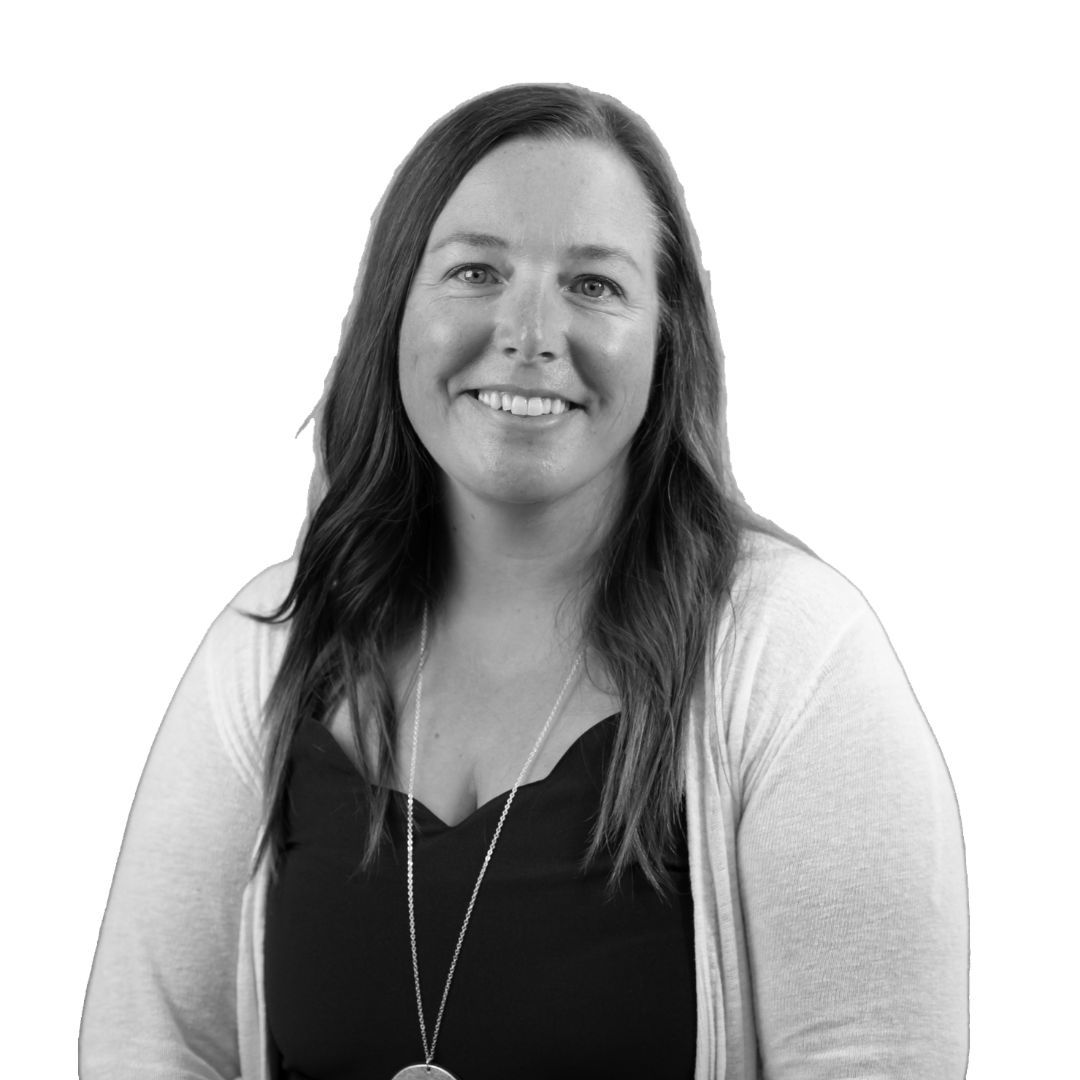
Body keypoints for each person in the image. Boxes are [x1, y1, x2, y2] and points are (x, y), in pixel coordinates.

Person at [80, 83, 969, 1080]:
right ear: (392, 311)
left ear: (667, 334)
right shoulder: (265, 649)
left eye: (594, 285)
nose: (530, 331)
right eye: (474, 270)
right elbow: (149, 1048)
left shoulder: (797, 656)